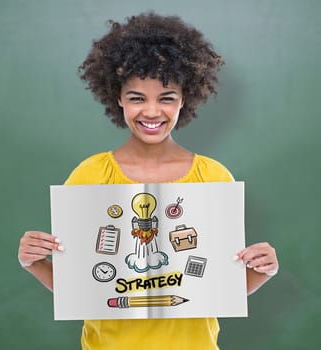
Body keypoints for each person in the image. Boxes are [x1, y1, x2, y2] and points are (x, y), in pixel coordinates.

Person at [18, 12, 279, 350]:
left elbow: (217, 287)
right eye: (137, 97)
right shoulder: (90, 176)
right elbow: (84, 288)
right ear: (118, 98)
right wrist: (35, 263)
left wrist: (262, 270)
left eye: (166, 97)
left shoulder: (213, 177)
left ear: (184, 99)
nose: (152, 112)